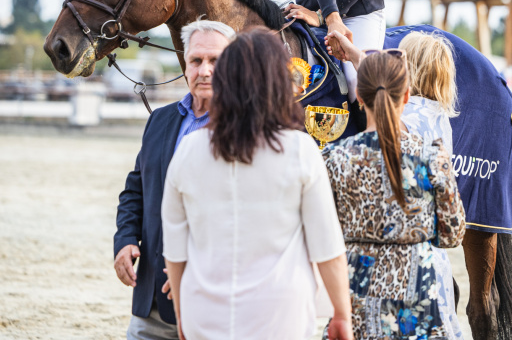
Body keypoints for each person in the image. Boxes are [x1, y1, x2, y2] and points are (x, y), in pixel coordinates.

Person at [161, 29, 352, 340]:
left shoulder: (188, 150)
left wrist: (183, 315)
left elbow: (176, 251)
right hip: (281, 318)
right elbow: (327, 248)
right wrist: (342, 314)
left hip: (204, 316)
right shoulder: (300, 150)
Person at [326, 30, 465, 339]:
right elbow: (453, 234)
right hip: (420, 291)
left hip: (358, 291)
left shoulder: (333, 157)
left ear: (360, 96)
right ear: (404, 93)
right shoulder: (434, 144)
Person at [113, 19, 235, 340]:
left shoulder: (248, 131)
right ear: (185, 64)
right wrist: (125, 239)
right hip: (152, 305)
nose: (205, 70)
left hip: (217, 306)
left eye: (215, 61)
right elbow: (136, 189)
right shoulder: (160, 120)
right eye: (196, 60)